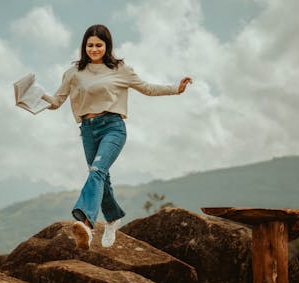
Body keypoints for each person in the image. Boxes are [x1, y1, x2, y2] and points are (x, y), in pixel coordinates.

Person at [43, 24, 192, 250]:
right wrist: (35, 97)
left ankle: (85, 225)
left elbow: (147, 88)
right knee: (102, 177)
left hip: (113, 127)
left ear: (107, 46)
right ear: (84, 46)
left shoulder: (120, 69)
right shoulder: (73, 73)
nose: (94, 49)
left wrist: (176, 88)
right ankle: (112, 219)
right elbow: (56, 102)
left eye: (98, 45)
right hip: (88, 130)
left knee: (97, 171)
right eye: (90, 45)